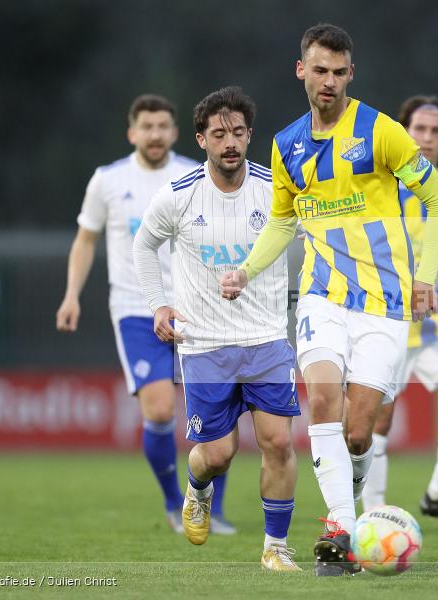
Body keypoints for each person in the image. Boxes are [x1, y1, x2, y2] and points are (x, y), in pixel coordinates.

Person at [219, 24, 438, 576]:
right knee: (322, 402)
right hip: (322, 297)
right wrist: (247, 271)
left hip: (385, 302)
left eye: (339, 72)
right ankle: (340, 533)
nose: (329, 81)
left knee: (358, 430)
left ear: (351, 74)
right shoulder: (285, 145)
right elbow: (282, 222)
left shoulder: (382, 132)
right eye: (319, 70)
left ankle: (347, 518)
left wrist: (424, 277)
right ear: (301, 70)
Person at [133, 86, 302, 571]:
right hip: (204, 344)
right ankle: (197, 489)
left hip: (267, 337)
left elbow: (315, 237)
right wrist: (158, 305)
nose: (230, 142)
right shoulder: (178, 196)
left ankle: (275, 547)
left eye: (239, 133)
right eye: (220, 133)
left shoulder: (276, 190)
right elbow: (144, 247)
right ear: (202, 139)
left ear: (250, 136)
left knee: (278, 442)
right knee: (218, 454)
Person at [55, 94, 234, 536]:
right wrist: (71, 295)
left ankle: (211, 509)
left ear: (174, 133)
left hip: (199, 309)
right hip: (137, 309)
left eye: (162, 126)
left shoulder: (196, 175)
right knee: (159, 409)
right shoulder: (108, 181)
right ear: (131, 132)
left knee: (218, 415)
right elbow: (85, 240)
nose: (154, 134)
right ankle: (176, 503)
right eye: (146, 126)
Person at [361, 96, 438, 533]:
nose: (427, 138)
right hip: (386, 320)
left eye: (436, 132)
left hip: (433, 324)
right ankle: (372, 516)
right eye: (419, 129)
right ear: (404, 130)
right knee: (378, 418)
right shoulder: (378, 182)